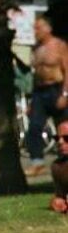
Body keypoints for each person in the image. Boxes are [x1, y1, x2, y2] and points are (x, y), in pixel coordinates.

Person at [25, 14, 68, 177]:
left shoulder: (59, 45)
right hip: (40, 91)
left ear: (48, 28)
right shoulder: (35, 48)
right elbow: (35, 75)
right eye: (34, 28)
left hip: (57, 89)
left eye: (38, 28)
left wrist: (65, 94)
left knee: (63, 127)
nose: (35, 31)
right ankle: (37, 162)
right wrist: (31, 100)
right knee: (34, 126)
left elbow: (67, 70)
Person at [49, 119, 68, 213]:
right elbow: (60, 196)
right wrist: (56, 202)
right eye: (57, 138)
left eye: (66, 138)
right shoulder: (57, 166)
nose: (60, 142)